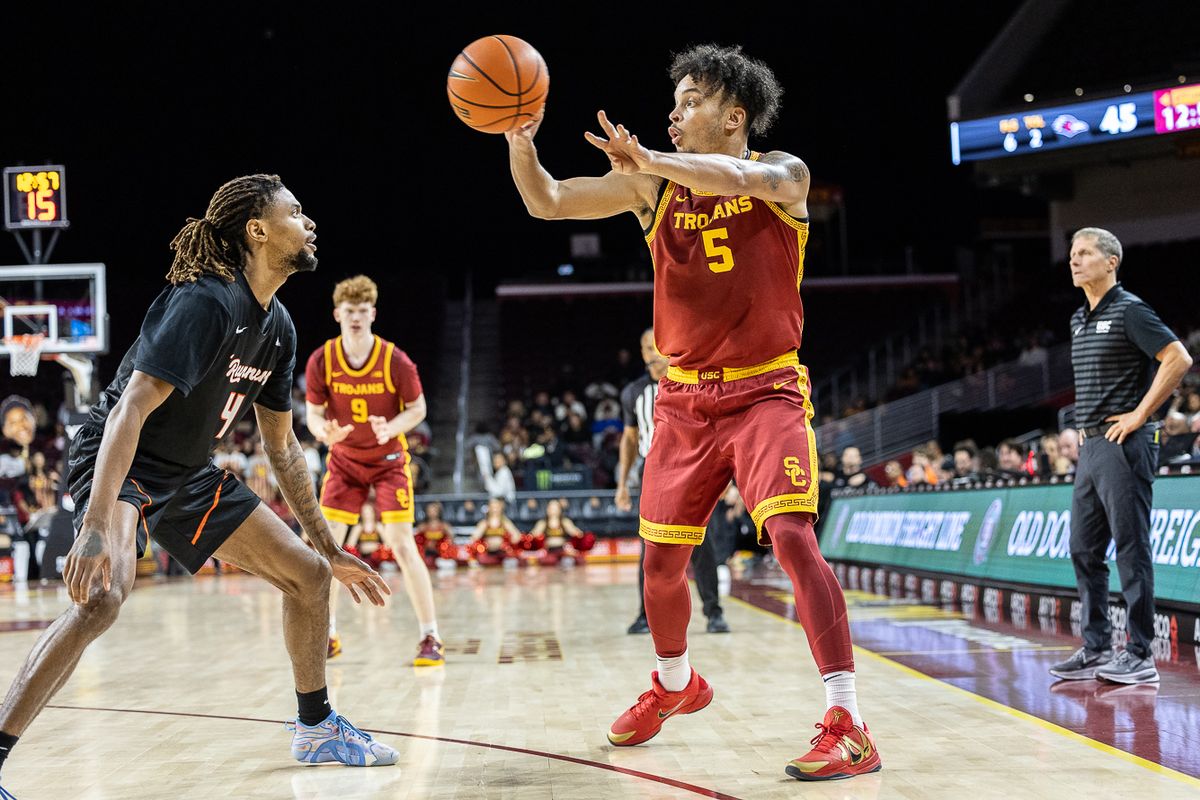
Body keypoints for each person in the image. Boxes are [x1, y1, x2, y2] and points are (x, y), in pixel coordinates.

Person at [505, 44, 878, 780]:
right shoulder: (652, 191)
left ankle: (850, 723)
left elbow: (737, 176)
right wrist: (520, 142)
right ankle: (676, 686)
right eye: (671, 102)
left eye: (691, 100)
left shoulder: (785, 176)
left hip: (766, 387)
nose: (674, 113)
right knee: (661, 563)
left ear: (734, 114)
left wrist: (647, 159)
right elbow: (545, 199)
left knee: (793, 538)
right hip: (683, 401)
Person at [0, 175, 398, 798]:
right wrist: (99, 524)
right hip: (123, 462)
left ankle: (317, 727)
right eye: (296, 211)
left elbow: (283, 449)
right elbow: (130, 411)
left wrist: (329, 546)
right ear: (258, 230)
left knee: (309, 575)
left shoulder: (280, 328)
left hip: (189, 474)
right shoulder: (204, 302)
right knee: (102, 599)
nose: (309, 221)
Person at [1049, 227, 1192, 685]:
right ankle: (1095, 648)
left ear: (1112, 262)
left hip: (1123, 443)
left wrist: (1139, 414)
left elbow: (1178, 358)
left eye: (1086, 253)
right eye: (1072, 253)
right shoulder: (1078, 318)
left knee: (1132, 547)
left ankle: (1139, 653)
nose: (1075, 260)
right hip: (1091, 446)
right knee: (1082, 549)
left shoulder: (1130, 310)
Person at [304, 274, 443, 667]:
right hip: (345, 463)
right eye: (349, 311)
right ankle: (326, 633)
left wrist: (393, 427)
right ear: (337, 314)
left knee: (401, 542)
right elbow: (313, 414)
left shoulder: (395, 360)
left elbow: (419, 409)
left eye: (363, 311)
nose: (356, 317)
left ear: (373, 314)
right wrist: (322, 432)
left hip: (388, 464)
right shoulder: (323, 360)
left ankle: (430, 635)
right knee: (326, 549)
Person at [469, 498, 522, 566]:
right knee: (481, 558)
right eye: (493, 507)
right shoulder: (484, 522)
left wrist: (510, 542)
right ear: (489, 508)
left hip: (502, 552)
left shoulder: (505, 522)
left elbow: (517, 535)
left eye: (497, 507)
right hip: (488, 552)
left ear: (501, 508)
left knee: (511, 559)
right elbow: (474, 538)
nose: (495, 510)